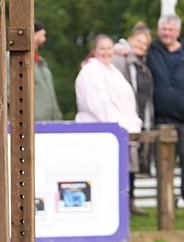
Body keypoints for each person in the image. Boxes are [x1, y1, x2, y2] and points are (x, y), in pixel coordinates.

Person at [75, 34, 142, 213]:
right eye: (102, 48)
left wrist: (133, 124)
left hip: (119, 133)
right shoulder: (90, 71)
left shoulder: (113, 70)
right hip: (100, 133)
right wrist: (119, 127)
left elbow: (127, 102)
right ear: (94, 51)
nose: (106, 52)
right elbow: (99, 105)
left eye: (109, 48)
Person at [112, 24, 155, 205]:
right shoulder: (120, 58)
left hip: (140, 116)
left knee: (134, 159)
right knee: (124, 159)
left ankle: (131, 201)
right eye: (138, 41)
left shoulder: (143, 63)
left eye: (145, 44)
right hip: (123, 116)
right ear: (130, 39)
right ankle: (122, 202)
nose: (141, 46)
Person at [146, 14, 184, 206]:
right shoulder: (152, 49)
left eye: (171, 29)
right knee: (164, 164)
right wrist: (121, 46)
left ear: (178, 32)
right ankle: (165, 202)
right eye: (164, 29)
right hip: (161, 119)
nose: (167, 33)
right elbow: (132, 45)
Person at [32, 20, 64, 121]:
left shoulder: (41, 63)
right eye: (42, 35)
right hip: (31, 122)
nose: (44, 39)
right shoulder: (11, 59)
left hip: (49, 121)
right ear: (33, 35)